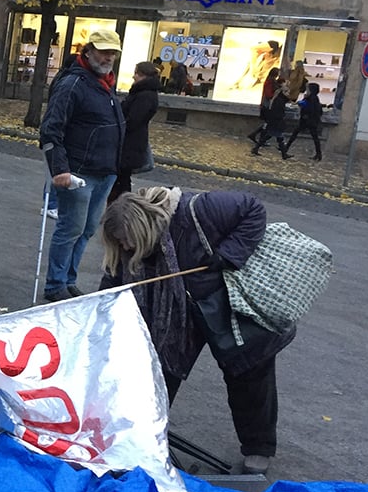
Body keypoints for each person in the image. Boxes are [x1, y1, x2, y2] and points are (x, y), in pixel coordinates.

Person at [99, 187, 295, 475]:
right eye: (118, 242)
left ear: (140, 227)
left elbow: (253, 209)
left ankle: (258, 449)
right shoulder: (128, 248)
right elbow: (112, 281)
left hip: (228, 303)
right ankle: (141, 437)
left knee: (249, 374)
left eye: (125, 239)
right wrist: (96, 309)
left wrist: (229, 254)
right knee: (158, 369)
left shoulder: (199, 209)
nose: (125, 247)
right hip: (178, 315)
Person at [38, 28, 125, 301]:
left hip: (104, 172)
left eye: (112, 53)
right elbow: (51, 130)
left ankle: (68, 280)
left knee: (86, 229)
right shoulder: (73, 84)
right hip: (78, 172)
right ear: (88, 51)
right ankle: (56, 285)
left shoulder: (105, 83)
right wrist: (60, 169)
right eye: (103, 51)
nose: (108, 57)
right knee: (71, 228)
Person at [108, 61, 161, 203]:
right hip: (131, 141)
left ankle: (122, 206)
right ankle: (120, 205)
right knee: (121, 178)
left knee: (122, 179)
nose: (133, 76)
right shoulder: (143, 92)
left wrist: (119, 126)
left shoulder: (145, 95)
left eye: (136, 73)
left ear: (143, 75)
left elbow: (134, 120)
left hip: (130, 142)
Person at [251, 80, 292, 159]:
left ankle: (256, 148)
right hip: (276, 122)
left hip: (275, 122)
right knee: (278, 137)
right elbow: (277, 112)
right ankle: (284, 154)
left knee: (272, 136)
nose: (288, 95)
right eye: (287, 93)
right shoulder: (279, 101)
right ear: (284, 93)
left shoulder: (280, 100)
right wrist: (280, 118)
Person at [285, 81, 324, 160]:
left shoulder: (312, 98)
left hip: (308, 120)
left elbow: (307, 106)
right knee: (314, 137)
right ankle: (318, 154)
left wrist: (303, 102)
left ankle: (285, 149)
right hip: (310, 121)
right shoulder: (313, 98)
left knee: (295, 134)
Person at [249, 67, 280, 141]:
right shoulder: (270, 82)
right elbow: (268, 94)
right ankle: (260, 137)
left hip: (267, 104)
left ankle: (256, 135)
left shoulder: (271, 81)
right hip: (267, 105)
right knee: (268, 122)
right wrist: (276, 93)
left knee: (267, 123)